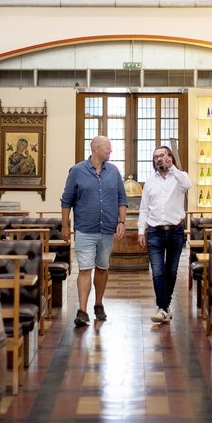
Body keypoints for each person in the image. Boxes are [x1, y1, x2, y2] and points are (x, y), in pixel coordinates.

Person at [61, 135, 127, 327]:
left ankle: (98, 303)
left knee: (102, 267)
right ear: (96, 148)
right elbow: (67, 201)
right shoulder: (77, 171)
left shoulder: (114, 172)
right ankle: (82, 311)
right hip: (85, 228)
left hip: (107, 229)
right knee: (84, 269)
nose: (110, 151)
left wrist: (121, 221)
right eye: (107, 148)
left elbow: (122, 198)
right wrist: (65, 225)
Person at [138, 145, 192, 324]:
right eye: (156, 157)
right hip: (155, 232)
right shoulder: (150, 182)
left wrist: (173, 168)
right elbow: (144, 209)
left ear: (170, 157)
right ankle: (162, 308)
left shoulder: (179, 177)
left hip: (175, 231)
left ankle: (164, 307)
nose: (159, 159)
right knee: (158, 272)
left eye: (163, 156)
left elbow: (188, 185)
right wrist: (141, 231)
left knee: (172, 272)